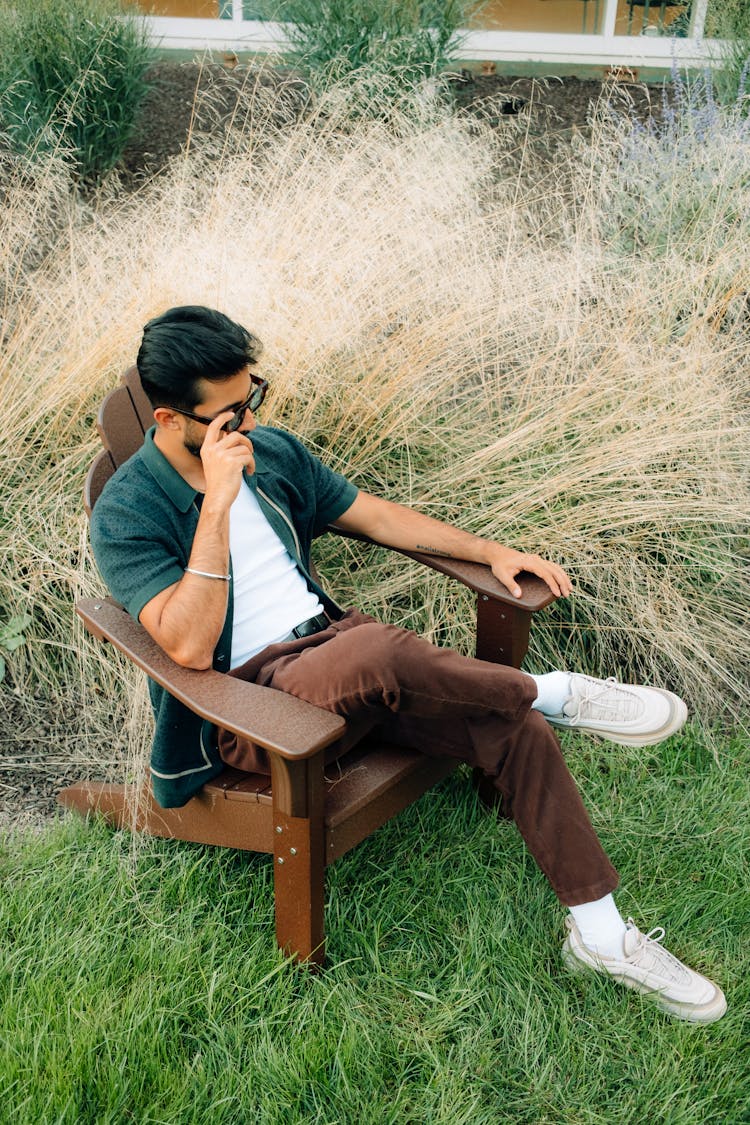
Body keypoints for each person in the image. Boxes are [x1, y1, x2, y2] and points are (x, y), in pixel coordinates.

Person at [90, 305, 726, 1023]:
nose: (249, 423)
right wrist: (216, 507)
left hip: (338, 658)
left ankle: (604, 934)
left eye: (252, 397)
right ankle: (549, 690)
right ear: (173, 419)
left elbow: (375, 515)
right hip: (251, 708)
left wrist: (489, 551)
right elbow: (187, 648)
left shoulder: (272, 453)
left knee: (515, 731)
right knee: (381, 651)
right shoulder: (128, 511)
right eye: (228, 415)